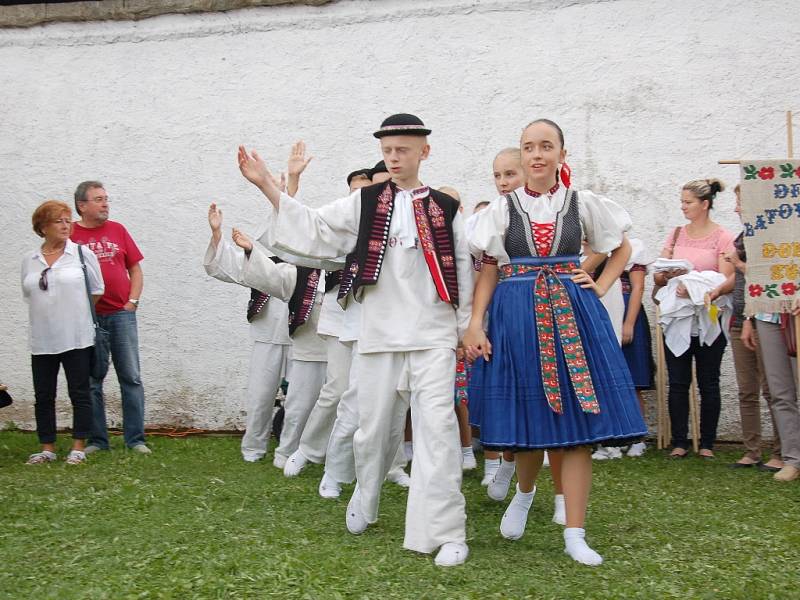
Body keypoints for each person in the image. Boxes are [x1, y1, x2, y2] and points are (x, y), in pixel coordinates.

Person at [238, 113, 473, 567]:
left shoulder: (446, 208)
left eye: (403, 149)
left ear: (424, 151)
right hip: (378, 335)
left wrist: (462, 330)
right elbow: (314, 228)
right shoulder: (365, 202)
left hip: (433, 337)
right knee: (372, 431)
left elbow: (462, 266)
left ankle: (447, 533)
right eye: (388, 150)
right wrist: (268, 185)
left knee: (438, 432)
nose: (394, 157)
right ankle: (366, 495)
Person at [465, 119, 646, 566]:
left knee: (578, 427)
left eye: (547, 146)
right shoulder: (502, 210)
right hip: (517, 312)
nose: (537, 155)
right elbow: (489, 268)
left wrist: (602, 285)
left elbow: (622, 248)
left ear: (562, 155)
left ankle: (575, 533)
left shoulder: (582, 203)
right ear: (522, 156)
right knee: (531, 414)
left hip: (573, 312)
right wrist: (474, 323)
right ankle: (524, 494)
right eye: (529, 147)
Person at [653, 179, 735, 459]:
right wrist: (668, 276)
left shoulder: (723, 237)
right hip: (678, 317)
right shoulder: (676, 234)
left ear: (705, 204)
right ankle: (679, 441)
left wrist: (697, 286)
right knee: (677, 381)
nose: (683, 206)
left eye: (688, 202)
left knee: (708, 381)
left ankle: (708, 442)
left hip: (709, 317)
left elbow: (724, 278)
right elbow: (658, 274)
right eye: (682, 201)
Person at [22, 200, 104, 465]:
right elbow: (28, 293)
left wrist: (74, 314)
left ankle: (79, 446)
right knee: (43, 395)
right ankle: (47, 446)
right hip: (42, 338)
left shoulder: (80, 255)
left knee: (79, 392)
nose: (66, 225)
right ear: (43, 226)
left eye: (68, 220)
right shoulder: (30, 260)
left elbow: (96, 290)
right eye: (59, 221)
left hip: (76, 336)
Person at [70, 181, 150, 454]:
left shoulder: (118, 230)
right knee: (92, 380)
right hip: (87, 318)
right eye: (98, 199)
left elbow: (135, 269)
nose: (105, 204)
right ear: (82, 205)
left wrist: (133, 302)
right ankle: (97, 441)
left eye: (106, 199)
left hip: (120, 314)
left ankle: (135, 439)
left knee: (131, 376)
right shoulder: (69, 234)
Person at [727, 185, 782, 470]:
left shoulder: (768, 236)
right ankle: (752, 450)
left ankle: (781, 450)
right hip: (740, 318)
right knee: (746, 390)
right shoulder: (743, 235)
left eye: (740, 202)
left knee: (772, 389)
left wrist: (737, 263)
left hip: (762, 319)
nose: (736, 208)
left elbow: (767, 276)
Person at [619, 238, 654, 457]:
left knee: (633, 381)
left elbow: (638, 286)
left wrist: (629, 323)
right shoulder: (592, 250)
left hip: (625, 314)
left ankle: (638, 436)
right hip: (603, 315)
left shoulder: (633, 248)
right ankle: (617, 435)